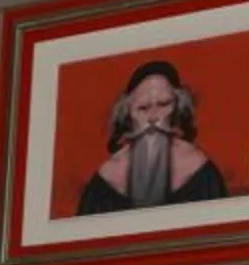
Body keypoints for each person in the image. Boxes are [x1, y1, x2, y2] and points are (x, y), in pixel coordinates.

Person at [72, 58, 229, 213]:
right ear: (127, 114)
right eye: (143, 108)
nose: (153, 117)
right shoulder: (104, 181)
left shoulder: (201, 170)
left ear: (178, 107)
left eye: (163, 104)